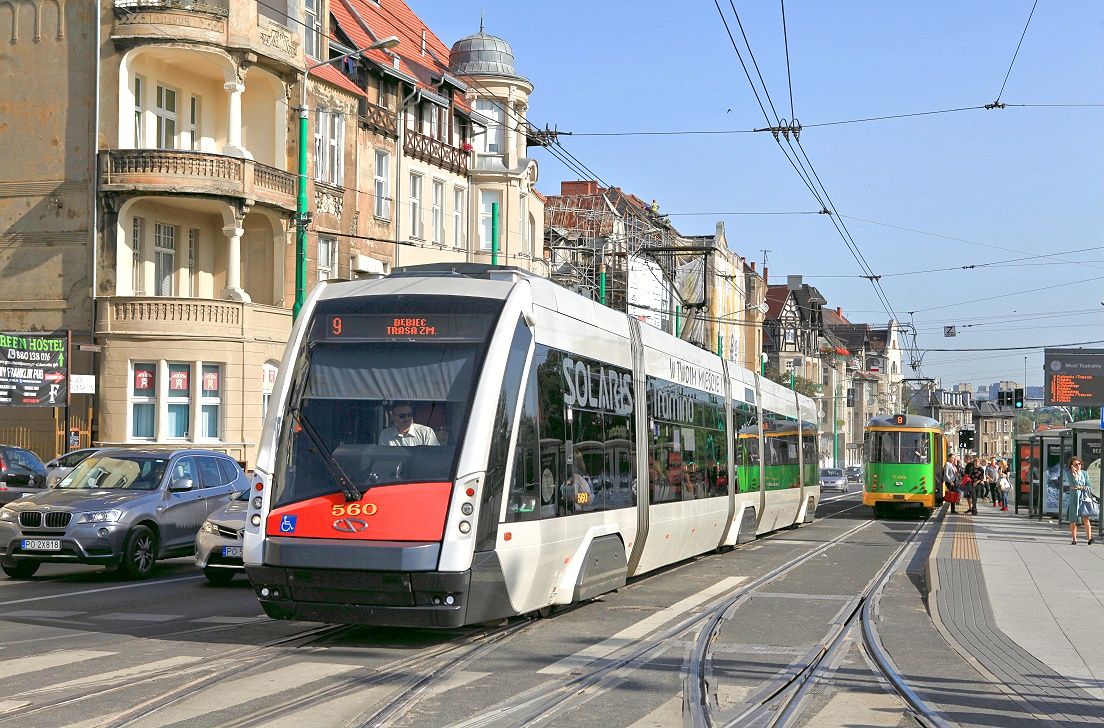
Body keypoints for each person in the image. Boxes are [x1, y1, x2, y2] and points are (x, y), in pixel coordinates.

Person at [1065, 456, 1094, 545]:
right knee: (1073, 520)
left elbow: (1089, 486)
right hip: (1074, 498)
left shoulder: (1085, 473)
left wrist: (1080, 487)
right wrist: (1076, 477)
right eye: (1075, 465)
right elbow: (1074, 484)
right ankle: (1074, 539)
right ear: (1071, 466)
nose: (1078, 466)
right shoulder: (1070, 474)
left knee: (1086, 518)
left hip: (1084, 498)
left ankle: (1089, 539)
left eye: (1079, 464)